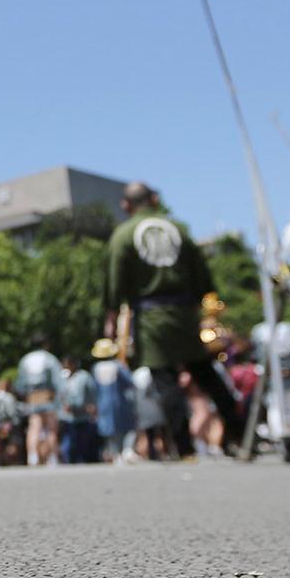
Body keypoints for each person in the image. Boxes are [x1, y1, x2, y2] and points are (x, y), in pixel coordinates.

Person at [104, 183, 243, 459]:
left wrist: (110, 322)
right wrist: (208, 311)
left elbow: (114, 284)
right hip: (185, 313)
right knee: (205, 372)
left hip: (151, 316)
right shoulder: (177, 229)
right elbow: (203, 275)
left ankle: (184, 447)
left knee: (165, 379)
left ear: (126, 205)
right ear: (154, 200)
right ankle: (238, 432)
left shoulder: (123, 235)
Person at [15, 336, 63, 467]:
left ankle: (32, 456)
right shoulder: (49, 359)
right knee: (51, 428)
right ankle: (52, 457)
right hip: (48, 396)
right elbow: (57, 381)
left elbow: (20, 383)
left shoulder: (26, 360)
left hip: (32, 397)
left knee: (34, 427)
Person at [90, 337, 136, 464]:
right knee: (126, 426)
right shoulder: (118, 366)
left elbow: (94, 388)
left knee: (109, 430)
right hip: (119, 401)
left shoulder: (95, 368)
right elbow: (129, 382)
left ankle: (115, 454)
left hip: (102, 403)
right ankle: (126, 450)